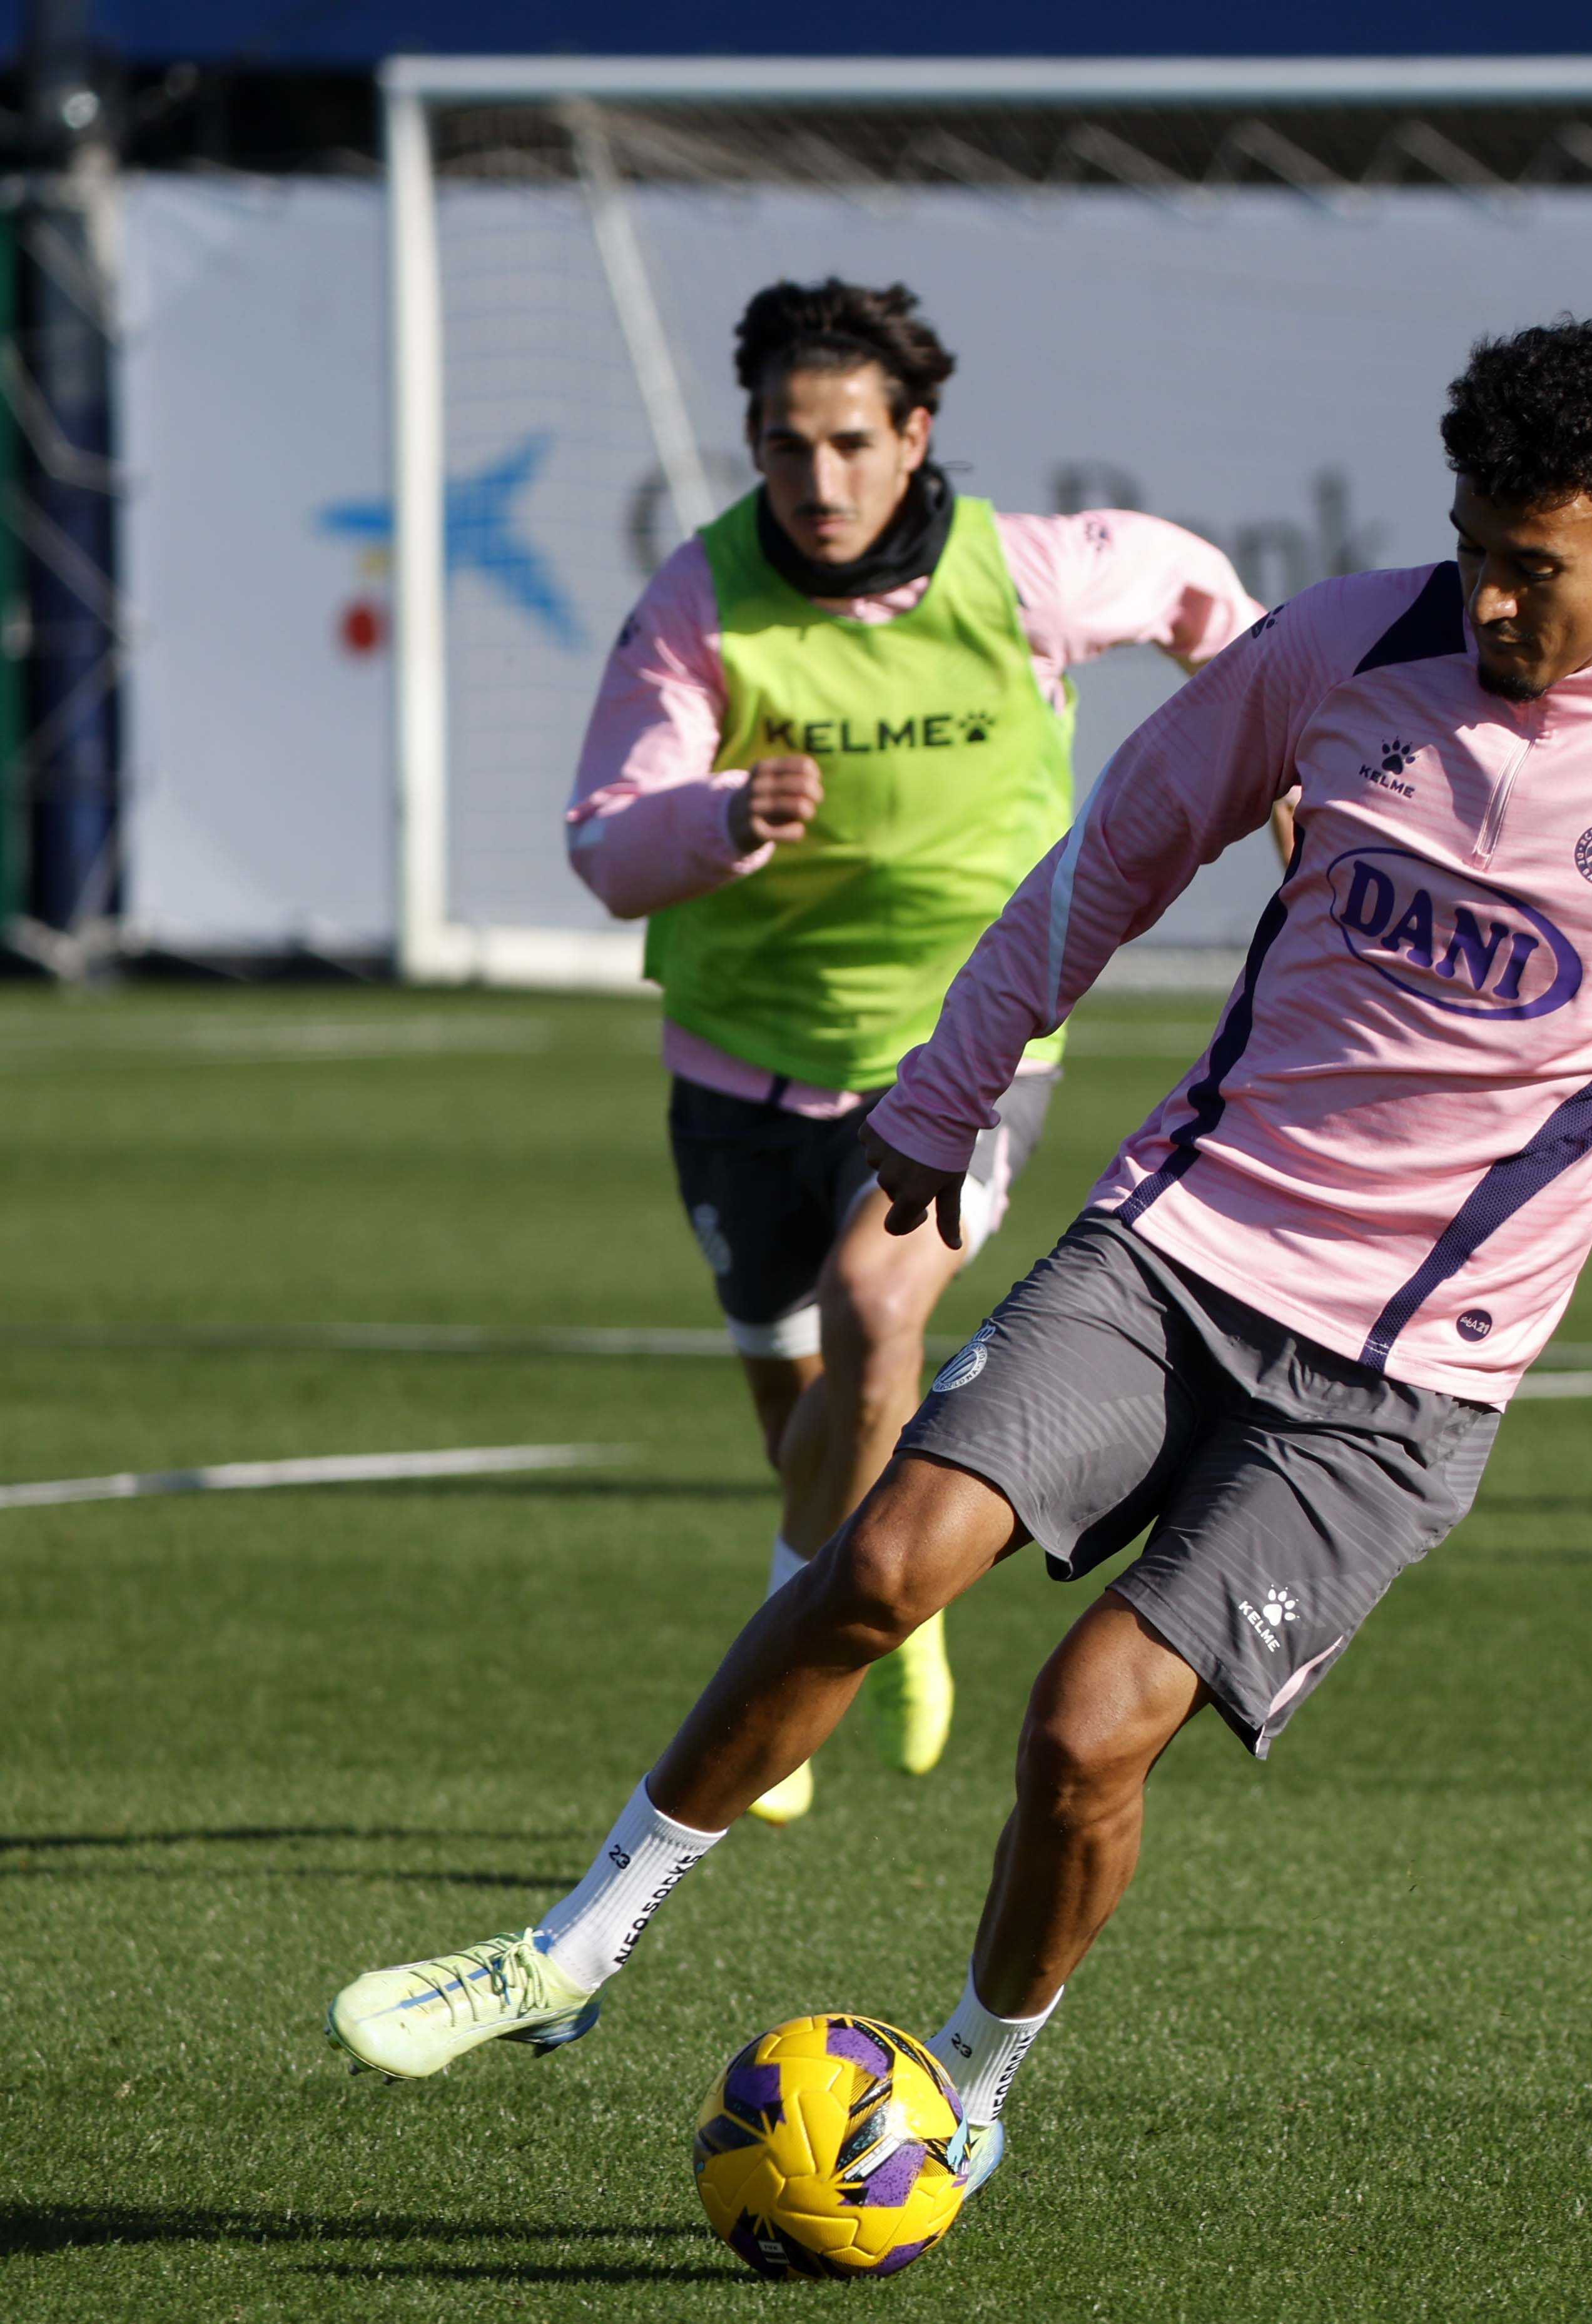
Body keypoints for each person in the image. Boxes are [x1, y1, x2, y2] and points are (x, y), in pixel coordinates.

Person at [325, 322, 1592, 2199]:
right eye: (1474, 545)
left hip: (1404, 1385)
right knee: (883, 1559)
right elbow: (1121, 849)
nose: (1493, 595)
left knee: (1087, 1726)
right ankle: (566, 1948)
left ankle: (971, 2085)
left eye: (1540, 564)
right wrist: (948, 1085)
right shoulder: (1341, 645)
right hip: (1178, 1248)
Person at [561, 278, 1261, 1826]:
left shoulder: (1025, 573)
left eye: (850, 443)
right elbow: (606, 846)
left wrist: (1273, 726)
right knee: (800, 1412)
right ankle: (885, 1593)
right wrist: (721, 819)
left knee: (881, 1314)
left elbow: (1196, 591)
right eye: (783, 445)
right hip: (742, 1057)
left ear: (916, 435)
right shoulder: (700, 600)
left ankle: (792, 1653)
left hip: (972, 1037)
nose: (816, 480)